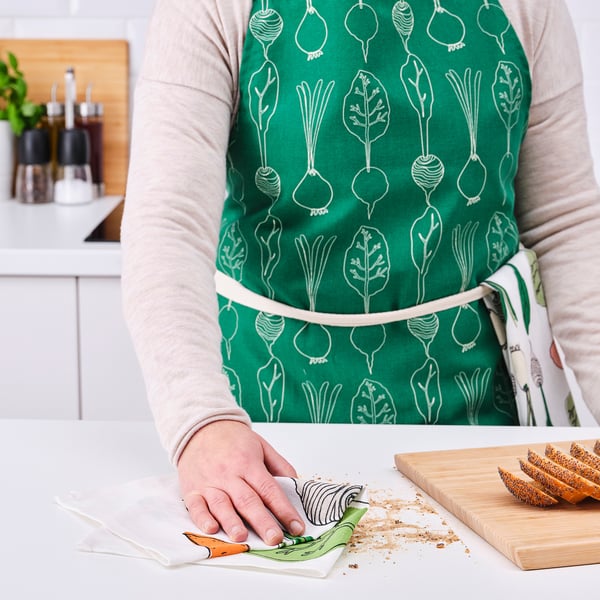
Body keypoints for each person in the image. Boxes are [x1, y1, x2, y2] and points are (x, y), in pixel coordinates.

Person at [122, 0, 600, 547]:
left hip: (478, 416)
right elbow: (168, 222)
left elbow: (566, 221)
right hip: (268, 424)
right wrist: (202, 422)